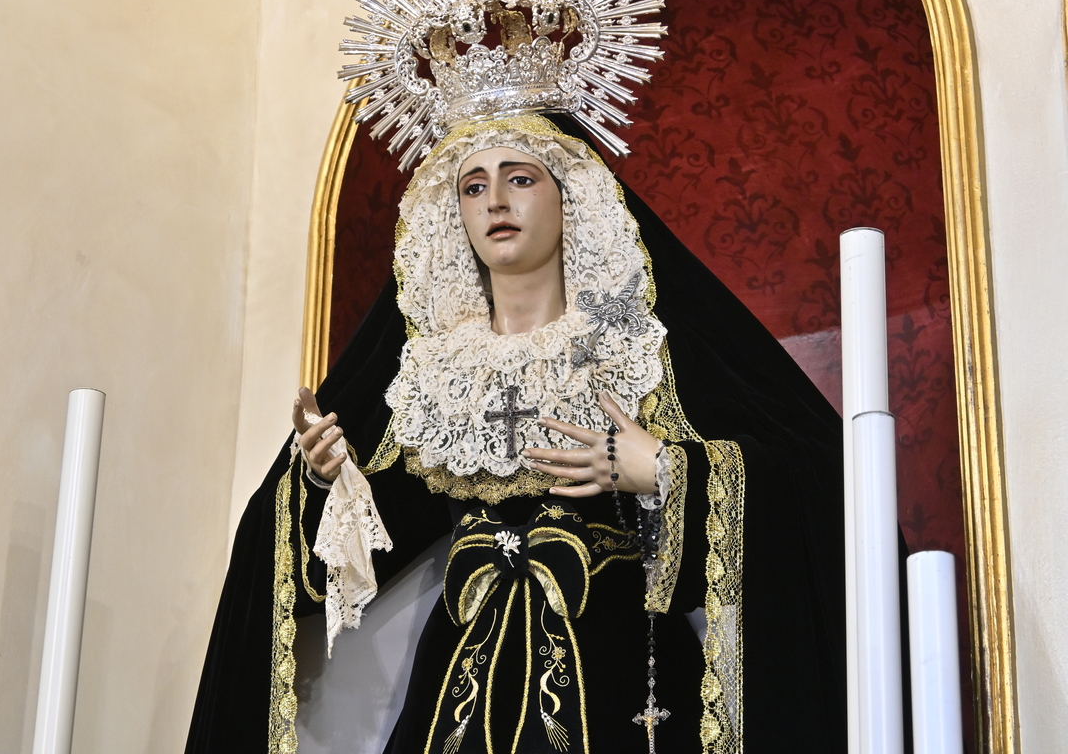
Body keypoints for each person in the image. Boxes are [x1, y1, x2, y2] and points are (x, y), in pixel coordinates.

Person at [185, 113, 847, 754]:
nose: (495, 201)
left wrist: (665, 471)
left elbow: (810, 476)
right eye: (473, 186)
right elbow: (358, 555)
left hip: (615, 669)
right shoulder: (436, 374)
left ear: (571, 196)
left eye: (520, 178)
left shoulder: (639, 352)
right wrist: (327, 483)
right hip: (461, 675)